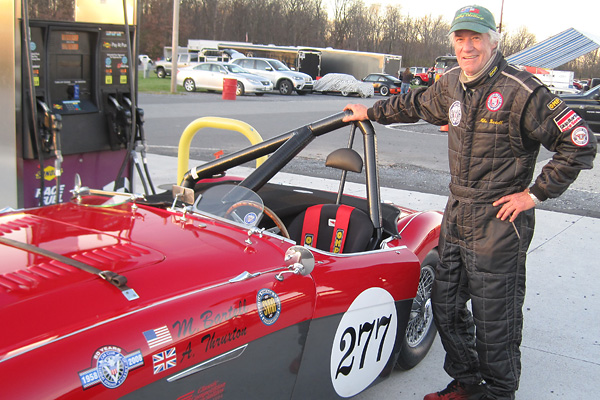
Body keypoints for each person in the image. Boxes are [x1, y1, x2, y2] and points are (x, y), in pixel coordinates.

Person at [343, 5, 596, 400]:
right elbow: (413, 104)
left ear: (493, 42)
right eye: (460, 38)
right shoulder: (451, 85)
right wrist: (370, 111)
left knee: (496, 320)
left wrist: (534, 194)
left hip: (499, 221)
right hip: (459, 210)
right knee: (443, 305)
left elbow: (578, 143)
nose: (467, 46)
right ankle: (467, 383)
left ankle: (498, 393)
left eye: (475, 37)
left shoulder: (523, 89)